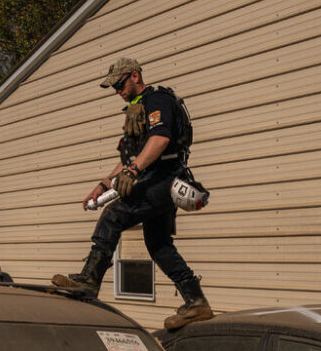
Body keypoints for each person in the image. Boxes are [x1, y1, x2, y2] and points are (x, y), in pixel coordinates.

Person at [52, 58, 213, 330]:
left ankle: (89, 280)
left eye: (119, 84)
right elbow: (127, 160)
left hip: (164, 177)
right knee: (158, 244)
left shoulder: (157, 100)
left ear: (135, 76)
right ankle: (196, 301)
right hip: (155, 178)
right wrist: (103, 185)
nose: (116, 90)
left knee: (113, 215)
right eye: (113, 86)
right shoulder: (134, 110)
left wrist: (135, 170)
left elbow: (160, 140)